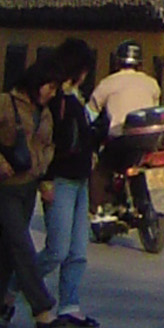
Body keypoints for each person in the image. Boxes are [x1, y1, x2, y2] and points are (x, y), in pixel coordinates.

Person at [0, 53, 63, 328]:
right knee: (22, 247)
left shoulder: (45, 112)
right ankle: (42, 309)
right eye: (49, 87)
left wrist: (43, 174)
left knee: (7, 253)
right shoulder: (6, 102)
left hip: (28, 187)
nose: (52, 93)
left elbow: (48, 144)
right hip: (4, 187)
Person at [40, 40, 99, 328]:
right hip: (60, 180)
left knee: (77, 251)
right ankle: (13, 285)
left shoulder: (77, 98)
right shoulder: (55, 99)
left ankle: (70, 305)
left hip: (80, 180)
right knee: (57, 251)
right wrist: (45, 180)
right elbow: (47, 141)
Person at [91, 40, 161, 141]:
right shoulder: (152, 84)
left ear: (117, 62)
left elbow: (90, 112)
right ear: (140, 63)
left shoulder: (108, 82)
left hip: (118, 141)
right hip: (146, 141)